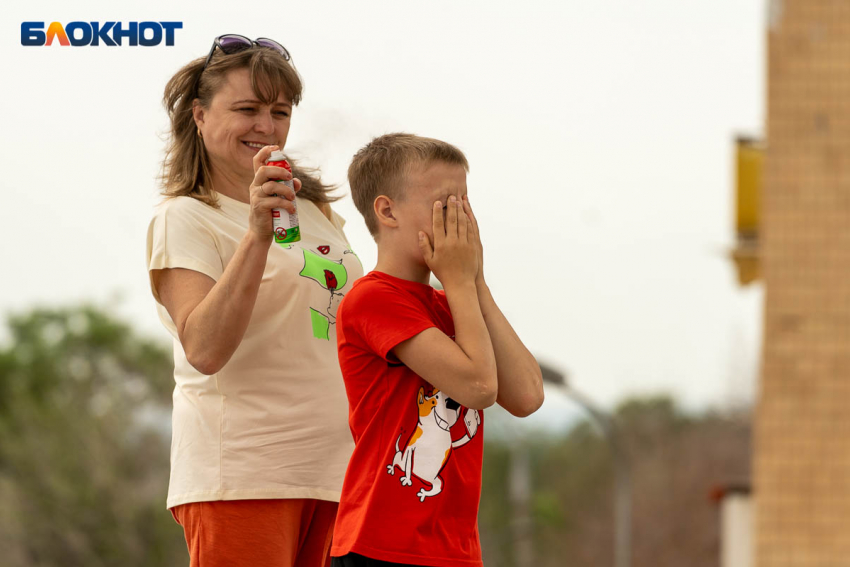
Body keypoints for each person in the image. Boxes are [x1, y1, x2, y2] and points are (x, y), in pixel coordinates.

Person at [145, 35, 363, 567]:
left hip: (342, 475)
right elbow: (205, 347)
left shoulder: (311, 209)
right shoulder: (184, 217)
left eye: (279, 111)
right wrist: (256, 235)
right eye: (247, 109)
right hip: (244, 475)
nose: (265, 126)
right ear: (199, 116)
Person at [330, 133, 545, 567]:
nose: (460, 220)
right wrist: (461, 282)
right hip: (382, 545)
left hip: (453, 549)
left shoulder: (454, 304)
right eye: (445, 204)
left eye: (465, 204)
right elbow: (480, 387)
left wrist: (474, 282)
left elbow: (526, 396)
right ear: (387, 210)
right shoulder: (374, 299)